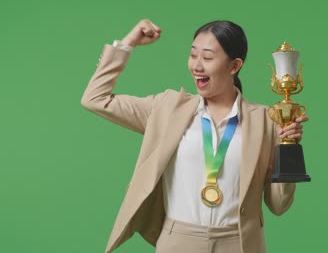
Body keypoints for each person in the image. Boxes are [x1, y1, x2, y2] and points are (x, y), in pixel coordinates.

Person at [81, 19, 309, 253]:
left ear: (234, 66)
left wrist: (288, 146)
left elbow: (279, 205)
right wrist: (128, 43)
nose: (196, 66)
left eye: (207, 58)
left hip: (240, 243)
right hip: (178, 241)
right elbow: (95, 99)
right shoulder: (166, 109)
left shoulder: (265, 120)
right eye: (193, 55)